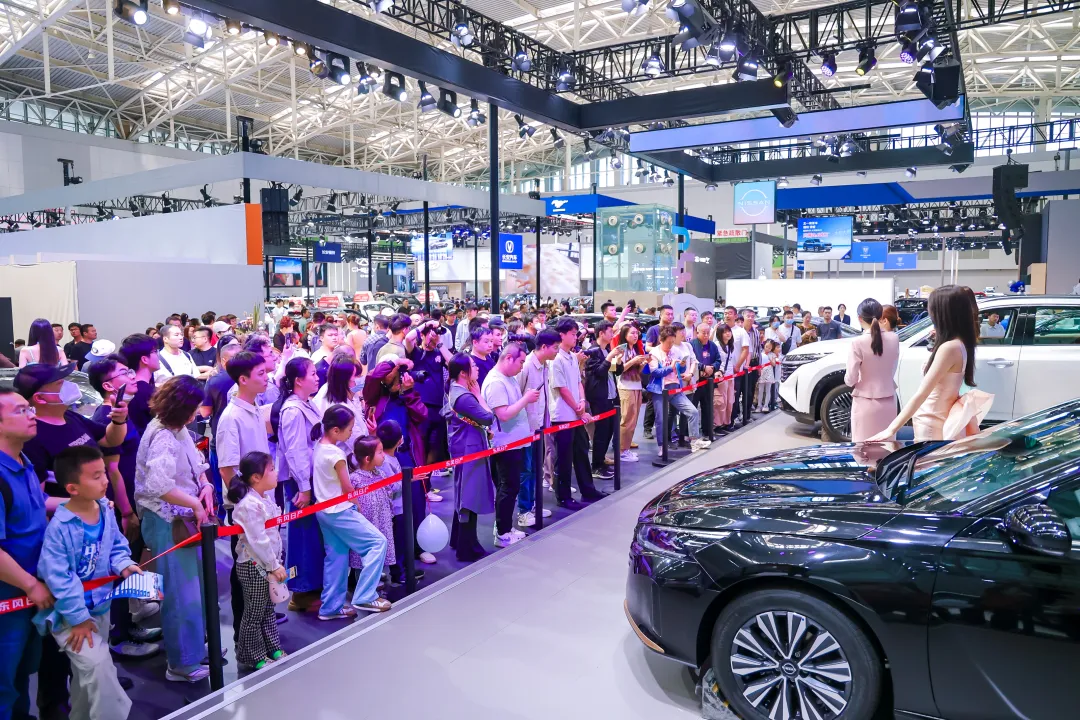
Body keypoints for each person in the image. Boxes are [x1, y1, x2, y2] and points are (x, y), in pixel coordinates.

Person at [34, 446, 139, 720]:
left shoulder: (105, 510)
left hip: (100, 608)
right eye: (96, 476)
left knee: (85, 680)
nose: (105, 480)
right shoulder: (59, 528)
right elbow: (58, 578)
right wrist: (79, 618)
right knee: (98, 665)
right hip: (70, 617)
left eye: (104, 473)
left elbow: (116, 545)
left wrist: (124, 564)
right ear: (72, 488)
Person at [134, 375, 213, 683]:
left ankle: (193, 649)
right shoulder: (163, 436)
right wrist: (195, 503)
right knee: (181, 594)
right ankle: (182, 663)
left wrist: (205, 486)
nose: (197, 413)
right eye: (193, 408)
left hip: (181, 518)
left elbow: (196, 462)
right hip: (167, 520)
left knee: (194, 588)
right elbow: (158, 485)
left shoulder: (175, 429)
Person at [870, 285, 987, 443]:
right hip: (935, 418)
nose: (929, 313)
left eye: (932, 308)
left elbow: (922, 393)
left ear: (943, 313)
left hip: (932, 421)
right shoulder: (959, 343)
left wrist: (891, 429)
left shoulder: (949, 348)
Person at [0, 387, 54, 720]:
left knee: (21, 672)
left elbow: (36, 505)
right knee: (3, 681)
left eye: (29, 408)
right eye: (20, 411)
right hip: (10, 596)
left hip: (28, 592)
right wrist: (30, 585)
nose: (31, 415)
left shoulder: (23, 461)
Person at [312, 406, 391, 619]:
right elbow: (347, 487)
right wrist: (357, 505)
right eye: (349, 429)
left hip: (324, 511)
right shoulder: (336, 454)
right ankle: (365, 595)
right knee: (377, 542)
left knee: (336, 558)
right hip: (340, 511)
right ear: (336, 430)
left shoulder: (319, 447)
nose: (351, 434)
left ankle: (330, 608)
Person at [215, 351, 271, 643]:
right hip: (244, 507)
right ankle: (244, 636)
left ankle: (261, 625)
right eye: (260, 373)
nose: (266, 377)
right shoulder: (231, 417)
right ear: (243, 379)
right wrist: (247, 502)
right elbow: (227, 468)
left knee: (263, 564)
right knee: (245, 571)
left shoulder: (254, 406)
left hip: (260, 500)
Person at [363, 358, 432, 564]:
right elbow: (373, 378)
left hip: (407, 454)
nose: (401, 380)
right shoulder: (376, 397)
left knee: (416, 501)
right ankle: (395, 555)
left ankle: (418, 546)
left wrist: (409, 392)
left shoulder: (407, 396)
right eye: (396, 377)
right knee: (391, 507)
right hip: (382, 458)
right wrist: (394, 363)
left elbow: (422, 415)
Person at [274, 357, 325, 612]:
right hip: (300, 483)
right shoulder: (292, 410)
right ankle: (300, 591)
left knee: (312, 535)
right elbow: (295, 452)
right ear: (298, 380)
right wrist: (304, 487)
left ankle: (312, 586)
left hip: (311, 479)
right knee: (302, 535)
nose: (317, 378)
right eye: (312, 374)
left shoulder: (307, 403)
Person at [227, 452, 286, 672]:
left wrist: (276, 562)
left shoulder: (264, 499)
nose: (276, 472)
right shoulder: (248, 505)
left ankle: (272, 647)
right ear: (256, 477)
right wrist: (274, 565)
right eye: (271, 469)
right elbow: (259, 541)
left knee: (268, 609)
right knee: (253, 613)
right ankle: (252, 655)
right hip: (254, 566)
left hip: (268, 564)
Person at [481, 343, 539, 547]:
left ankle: (505, 526)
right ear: (508, 358)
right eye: (520, 362)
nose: (522, 366)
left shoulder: (509, 378)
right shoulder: (496, 382)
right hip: (504, 444)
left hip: (515, 442)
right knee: (507, 487)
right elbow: (503, 414)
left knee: (510, 487)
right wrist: (526, 399)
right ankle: (502, 533)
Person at [550, 318, 607, 508]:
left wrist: (582, 402)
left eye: (576, 334)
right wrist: (577, 407)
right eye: (573, 334)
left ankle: (588, 490)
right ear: (562, 335)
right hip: (563, 415)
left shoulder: (572, 356)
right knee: (564, 458)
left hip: (576, 413)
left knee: (581, 452)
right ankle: (563, 496)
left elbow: (577, 382)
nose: (576, 337)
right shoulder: (556, 359)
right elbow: (561, 388)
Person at [443, 355, 495, 561]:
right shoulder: (464, 397)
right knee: (469, 496)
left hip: (465, 446)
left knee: (465, 494)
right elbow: (488, 417)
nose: (477, 368)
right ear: (463, 373)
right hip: (469, 449)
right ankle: (467, 547)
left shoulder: (456, 390)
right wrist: (479, 396)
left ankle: (461, 540)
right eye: (473, 366)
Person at [844, 298, 900, 442]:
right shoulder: (894, 338)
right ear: (881, 316)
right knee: (887, 446)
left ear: (860, 318)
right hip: (889, 399)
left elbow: (850, 379)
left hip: (865, 401)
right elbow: (892, 368)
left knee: (863, 448)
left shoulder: (857, 342)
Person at [516, 330, 557, 528]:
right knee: (525, 470)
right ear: (544, 347)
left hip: (539, 426)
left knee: (534, 469)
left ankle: (532, 505)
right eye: (555, 347)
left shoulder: (545, 366)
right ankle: (523, 511)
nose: (557, 351)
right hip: (524, 428)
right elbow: (516, 395)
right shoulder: (525, 366)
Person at [647, 326, 709, 453]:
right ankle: (662, 446)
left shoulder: (676, 351)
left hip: (676, 388)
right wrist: (671, 367)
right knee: (661, 419)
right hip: (660, 390)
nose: (670, 345)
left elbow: (680, 370)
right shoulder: (654, 353)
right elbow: (655, 373)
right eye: (668, 342)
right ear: (661, 340)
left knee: (693, 411)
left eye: (672, 342)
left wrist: (682, 366)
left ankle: (694, 441)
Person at [347, 435, 396, 576]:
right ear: (368, 458)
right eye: (380, 452)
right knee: (364, 555)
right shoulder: (355, 479)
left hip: (382, 522)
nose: (384, 456)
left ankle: (376, 575)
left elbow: (389, 495)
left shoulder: (381, 474)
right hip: (366, 525)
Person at [584, 321, 619, 481]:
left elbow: (616, 371)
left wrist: (618, 361)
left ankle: (601, 461)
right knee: (601, 432)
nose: (612, 334)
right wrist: (610, 358)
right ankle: (596, 466)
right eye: (610, 332)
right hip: (599, 397)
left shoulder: (607, 350)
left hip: (611, 395)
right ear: (601, 333)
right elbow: (598, 372)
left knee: (609, 430)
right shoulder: (593, 351)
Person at [615, 324, 647, 463]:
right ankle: (622, 450)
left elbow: (636, 371)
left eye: (636, 333)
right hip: (625, 387)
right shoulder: (621, 349)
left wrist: (643, 364)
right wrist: (634, 360)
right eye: (632, 333)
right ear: (625, 334)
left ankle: (626, 448)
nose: (635, 335)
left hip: (636, 385)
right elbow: (619, 370)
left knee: (633, 420)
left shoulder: (635, 348)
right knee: (627, 420)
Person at [691, 322, 720, 432]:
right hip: (695, 380)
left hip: (709, 380)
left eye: (708, 333)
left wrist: (712, 368)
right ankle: (691, 432)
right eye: (704, 333)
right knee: (693, 406)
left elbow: (718, 360)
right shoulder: (691, 345)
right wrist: (702, 368)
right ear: (697, 332)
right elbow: (691, 361)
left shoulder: (713, 345)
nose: (706, 335)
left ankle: (707, 431)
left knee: (707, 406)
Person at [712, 325, 737, 434]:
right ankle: (717, 425)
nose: (728, 333)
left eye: (729, 331)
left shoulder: (730, 346)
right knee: (720, 402)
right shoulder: (717, 345)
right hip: (721, 377)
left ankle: (726, 423)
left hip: (730, 376)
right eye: (725, 332)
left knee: (730, 401)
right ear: (720, 334)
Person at [753, 340, 779, 413]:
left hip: (769, 373)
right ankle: (759, 405)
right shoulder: (760, 353)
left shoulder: (772, 354)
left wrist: (770, 358)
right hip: (761, 373)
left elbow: (774, 364)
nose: (767, 349)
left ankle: (766, 405)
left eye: (769, 348)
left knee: (768, 390)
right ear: (764, 345)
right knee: (760, 390)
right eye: (766, 347)